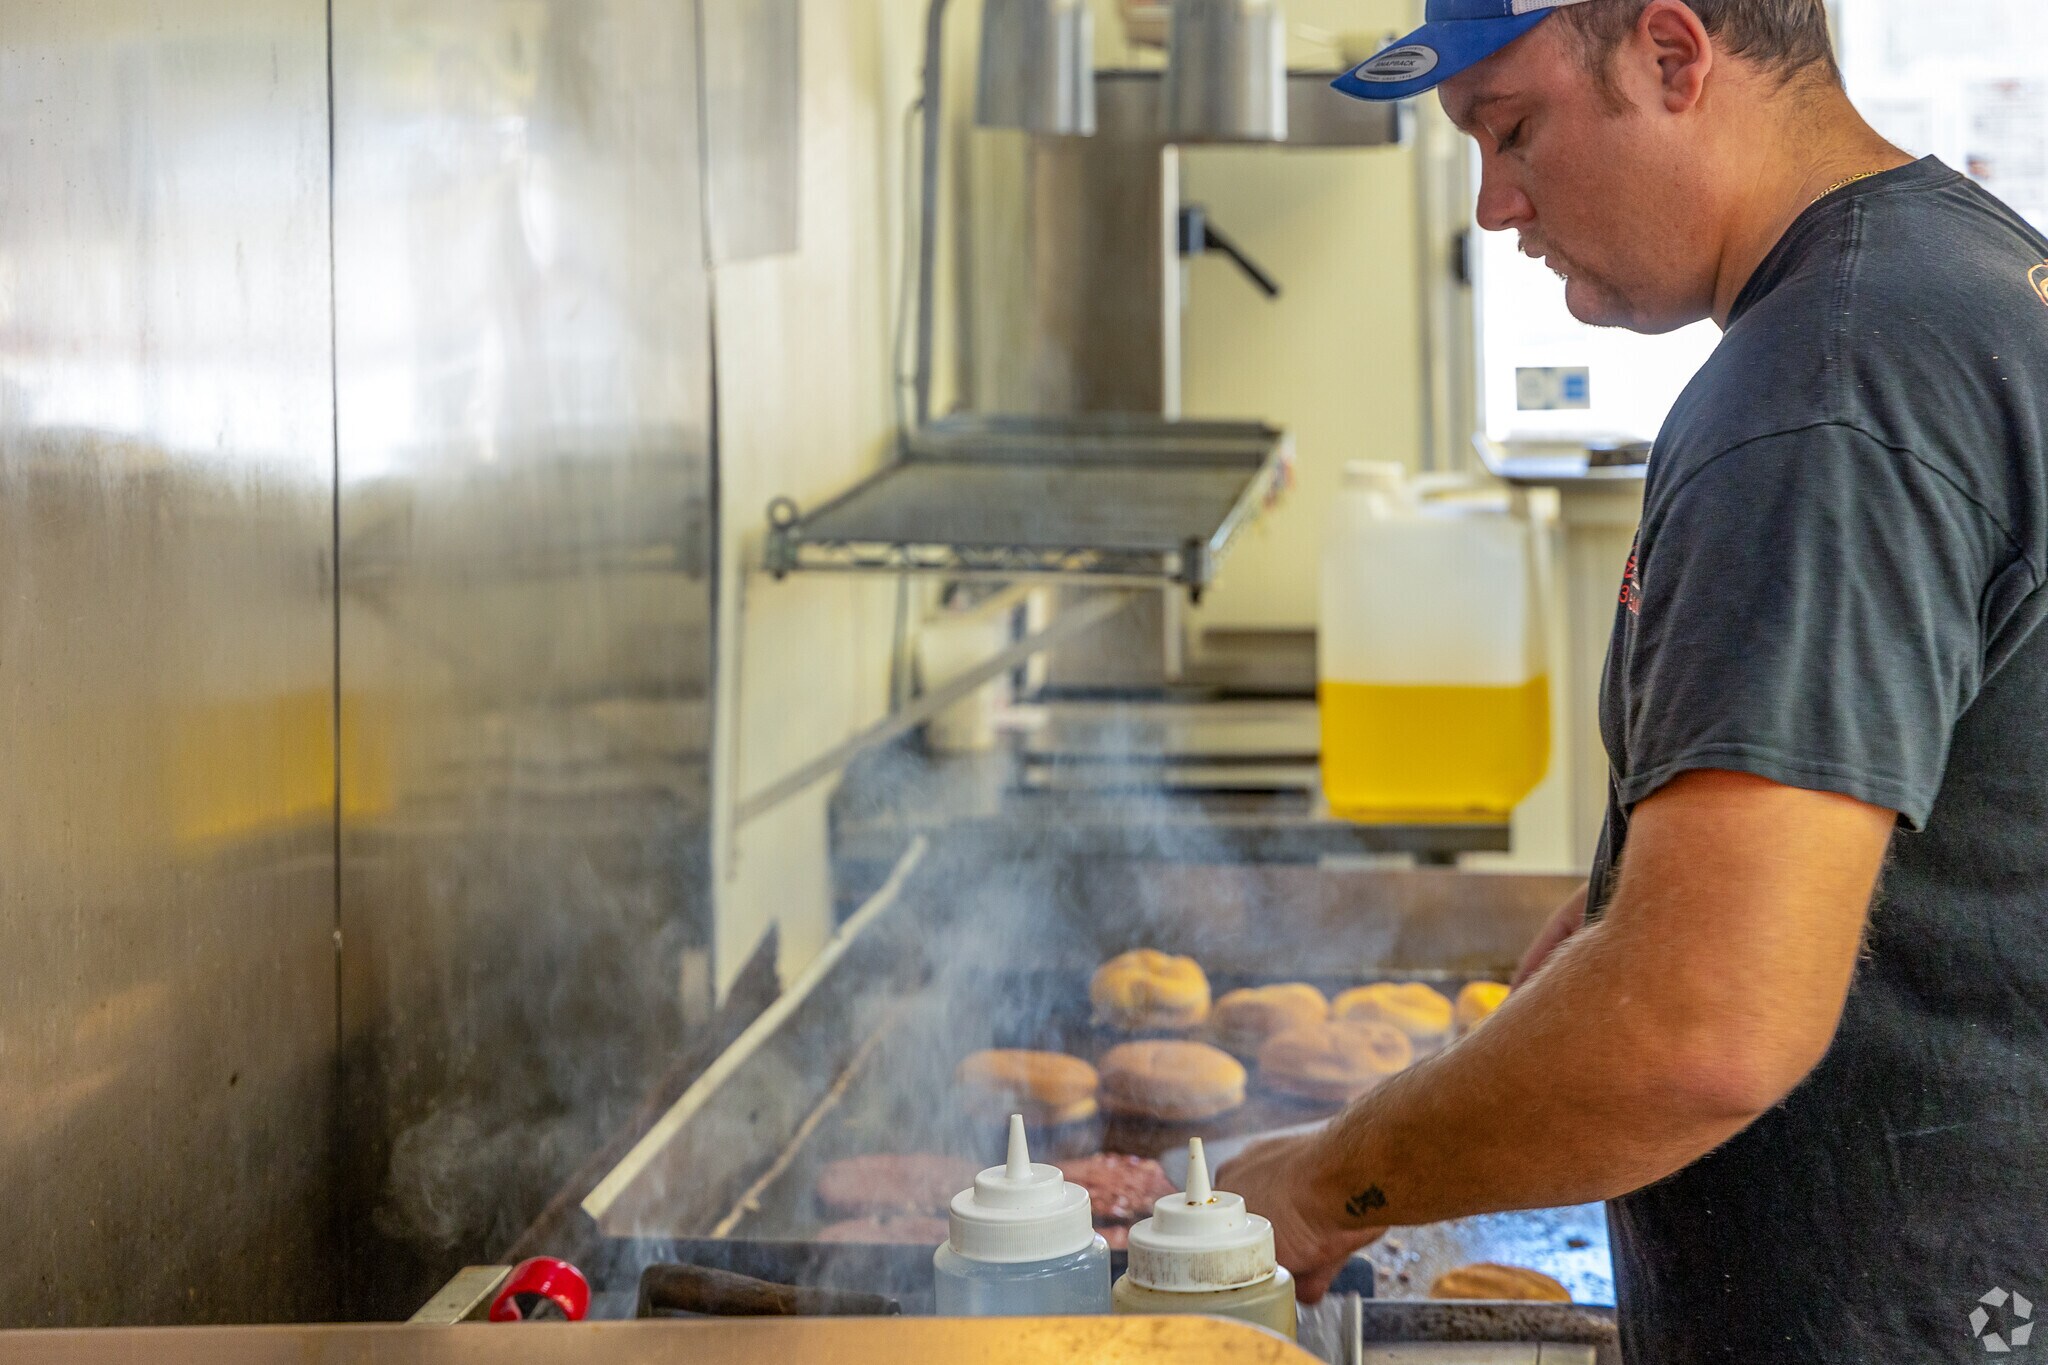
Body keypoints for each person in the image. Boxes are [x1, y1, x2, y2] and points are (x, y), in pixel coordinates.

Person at [1216, 1, 2048, 1360]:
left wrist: (1322, 1183)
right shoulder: (1959, 275)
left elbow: (1704, 1027)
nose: (1493, 205)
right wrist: (1609, 938)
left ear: (1673, 54)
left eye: (1513, 127)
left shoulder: (1819, 394)